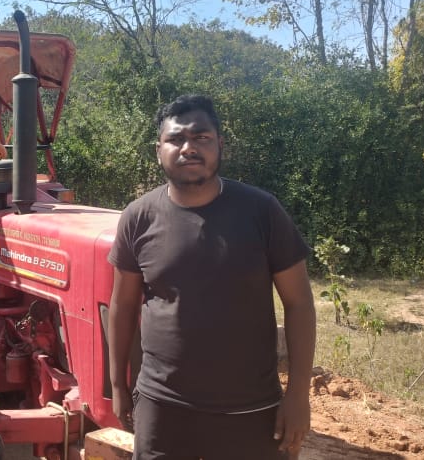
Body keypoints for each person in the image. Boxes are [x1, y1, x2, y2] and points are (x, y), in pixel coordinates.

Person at [107, 94, 316, 459]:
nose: (188, 147)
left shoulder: (262, 211)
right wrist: (117, 385)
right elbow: (122, 306)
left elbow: (299, 303)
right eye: (175, 139)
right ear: (158, 150)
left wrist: (299, 395)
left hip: (250, 409)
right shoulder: (138, 217)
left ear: (220, 144)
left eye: (201, 137)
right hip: (162, 406)